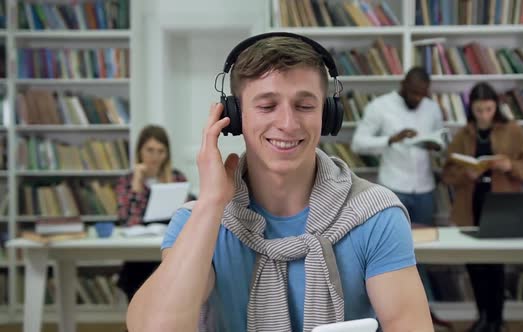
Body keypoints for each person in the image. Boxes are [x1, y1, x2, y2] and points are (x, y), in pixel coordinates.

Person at [126, 32, 433, 332]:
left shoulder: (376, 215)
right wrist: (211, 203)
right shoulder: (197, 222)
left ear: (327, 116)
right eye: (267, 106)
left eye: (304, 105)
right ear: (233, 117)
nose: (287, 124)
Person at [442, 82, 523, 332]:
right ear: (471, 108)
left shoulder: (512, 130)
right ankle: (483, 316)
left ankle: (496, 319)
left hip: (501, 203)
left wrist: (509, 165)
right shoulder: (464, 134)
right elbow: (448, 173)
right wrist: (466, 174)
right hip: (471, 203)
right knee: (474, 261)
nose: (484, 114)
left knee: (496, 261)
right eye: (479, 109)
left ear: (496, 107)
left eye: (489, 109)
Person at [351, 66, 444, 227]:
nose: (418, 99)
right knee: (390, 242)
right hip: (393, 188)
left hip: (425, 189)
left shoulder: (432, 108)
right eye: (414, 93)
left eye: (422, 95)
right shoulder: (379, 106)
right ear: (403, 84)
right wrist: (391, 139)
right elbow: (357, 144)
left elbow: (440, 142)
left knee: (427, 243)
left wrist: (435, 147)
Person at [115, 124, 190, 303]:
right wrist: (137, 183)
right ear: (140, 151)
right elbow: (127, 219)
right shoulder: (127, 180)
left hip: (167, 251)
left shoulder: (177, 178)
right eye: (150, 150)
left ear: (167, 154)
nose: (155, 157)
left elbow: (186, 217)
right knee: (137, 276)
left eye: (160, 151)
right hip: (138, 255)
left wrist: (166, 184)